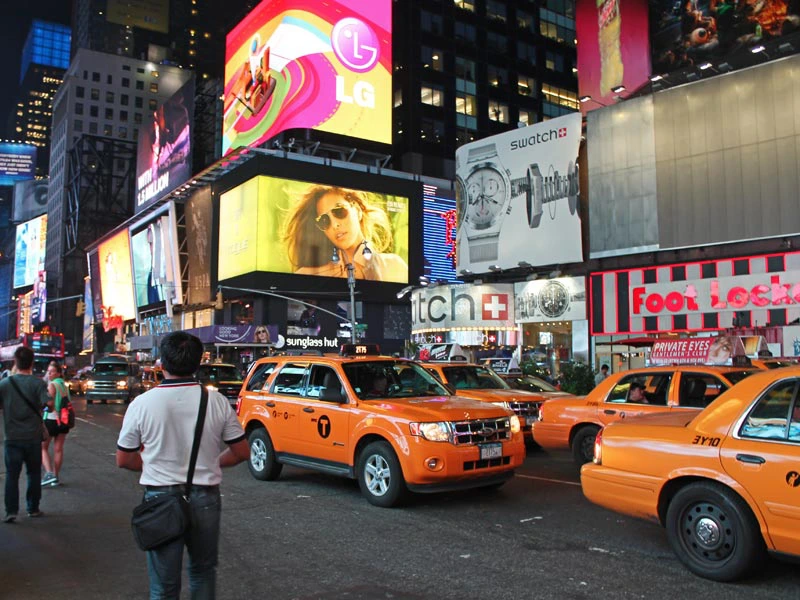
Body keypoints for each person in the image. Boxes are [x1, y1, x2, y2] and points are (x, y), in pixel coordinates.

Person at [116, 331, 250, 599]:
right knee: (203, 571)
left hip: (159, 499)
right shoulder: (217, 401)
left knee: (163, 585)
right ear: (198, 364)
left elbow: (125, 459)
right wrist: (211, 463)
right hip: (206, 498)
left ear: (161, 364)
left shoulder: (141, 404)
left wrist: (156, 465)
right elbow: (241, 452)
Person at [283, 186, 408, 283]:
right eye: (324, 221)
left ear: (358, 211)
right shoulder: (309, 275)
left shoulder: (394, 265)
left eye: (339, 211)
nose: (335, 225)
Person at [0, 347, 51, 522]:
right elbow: (48, 404)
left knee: (12, 476)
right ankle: (33, 508)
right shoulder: (38, 384)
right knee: (33, 474)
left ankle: (11, 511)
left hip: (12, 437)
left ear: (15, 362)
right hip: (32, 438)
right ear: (32, 362)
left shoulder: (5, 384)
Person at [41, 363, 71, 487]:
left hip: (51, 420)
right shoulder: (64, 385)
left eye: (52, 371)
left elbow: (49, 404)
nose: (49, 374)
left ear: (58, 373)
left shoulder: (52, 385)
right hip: (64, 421)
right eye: (48, 371)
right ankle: (56, 476)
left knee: (42, 448)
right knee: (58, 449)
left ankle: (49, 473)